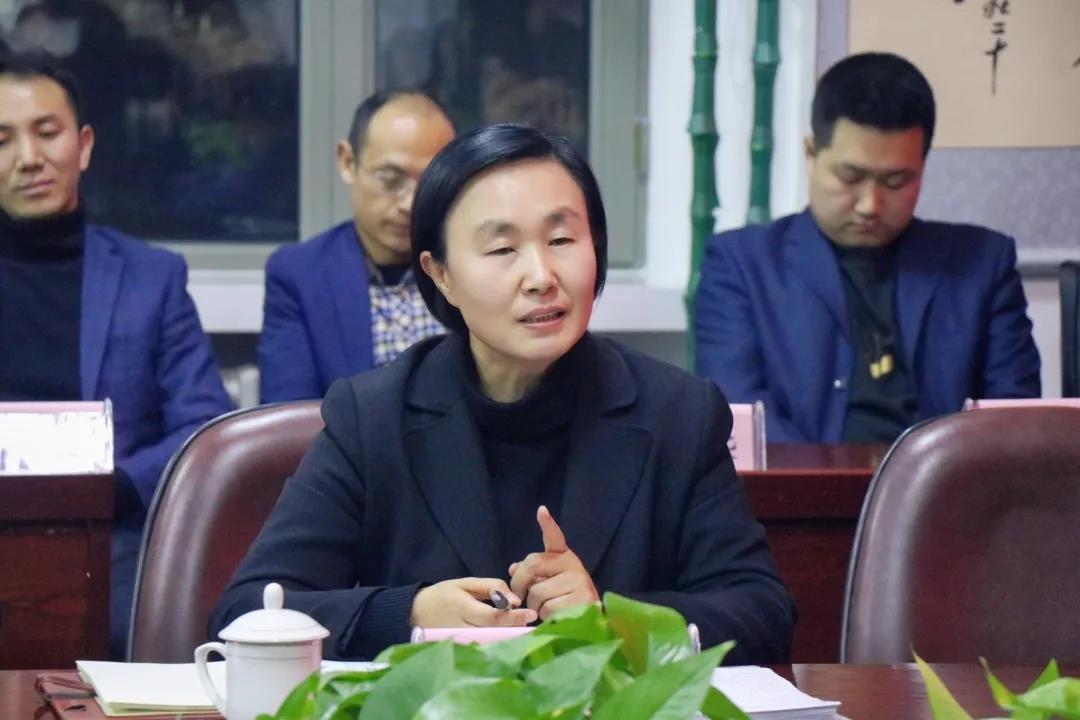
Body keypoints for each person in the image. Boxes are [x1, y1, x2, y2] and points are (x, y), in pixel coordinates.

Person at [213, 124, 795, 664]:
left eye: (562, 238)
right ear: (440, 274)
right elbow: (247, 611)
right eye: (502, 250)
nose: (541, 276)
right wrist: (409, 613)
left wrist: (610, 620)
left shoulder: (678, 413)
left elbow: (764, 613)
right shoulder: (372, 418)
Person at [0, 52, 232, 658]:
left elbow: (204, 426)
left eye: (46, 133)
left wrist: (111, 488)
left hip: (114, 546)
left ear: (82, 146)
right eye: (3, 141)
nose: (28, 157)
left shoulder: (150, 277)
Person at [694, 52, 1040, 444]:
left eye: (896, 182)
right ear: (811, 154)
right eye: (851, 177)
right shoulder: (742, 265)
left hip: (946, 481)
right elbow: (740, 414)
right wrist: (820, 478)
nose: (870, 205)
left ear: (922, 168)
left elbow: (1013, 417)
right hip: (797, 483)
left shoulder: (982, 264)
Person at [258, 90, 455, 402]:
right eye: (391, 179)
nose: (410, 203)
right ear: (348, 161)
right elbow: (288, 414)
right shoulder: (301, 275)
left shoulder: (467, 266)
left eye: (430, 183)